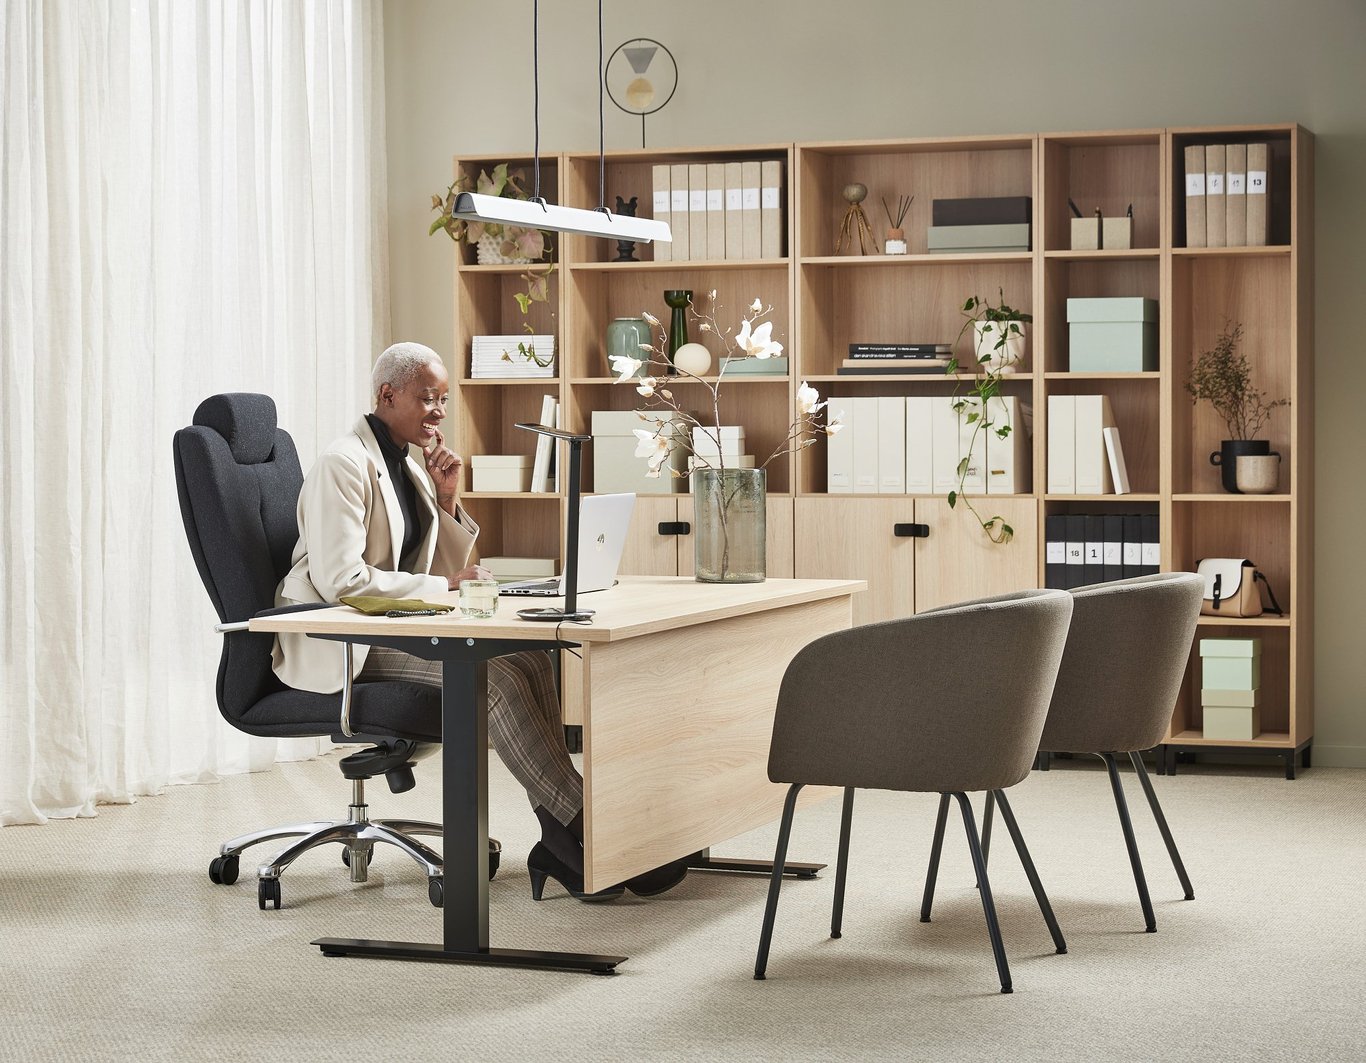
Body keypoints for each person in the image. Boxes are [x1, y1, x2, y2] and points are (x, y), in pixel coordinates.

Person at [271, 342, 686, 901]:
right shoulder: (342, 465)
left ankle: (559, 834)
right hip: (343, 637)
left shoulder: (409, 464)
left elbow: (433, 568)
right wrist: (446, 586)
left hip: (394, 623)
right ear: (386, 395)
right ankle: (582, 822)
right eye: (427, 399)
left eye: (444, 399)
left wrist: (446, 501)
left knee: (531, 656)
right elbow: (343, 581)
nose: (439, 411)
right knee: (497, 680)